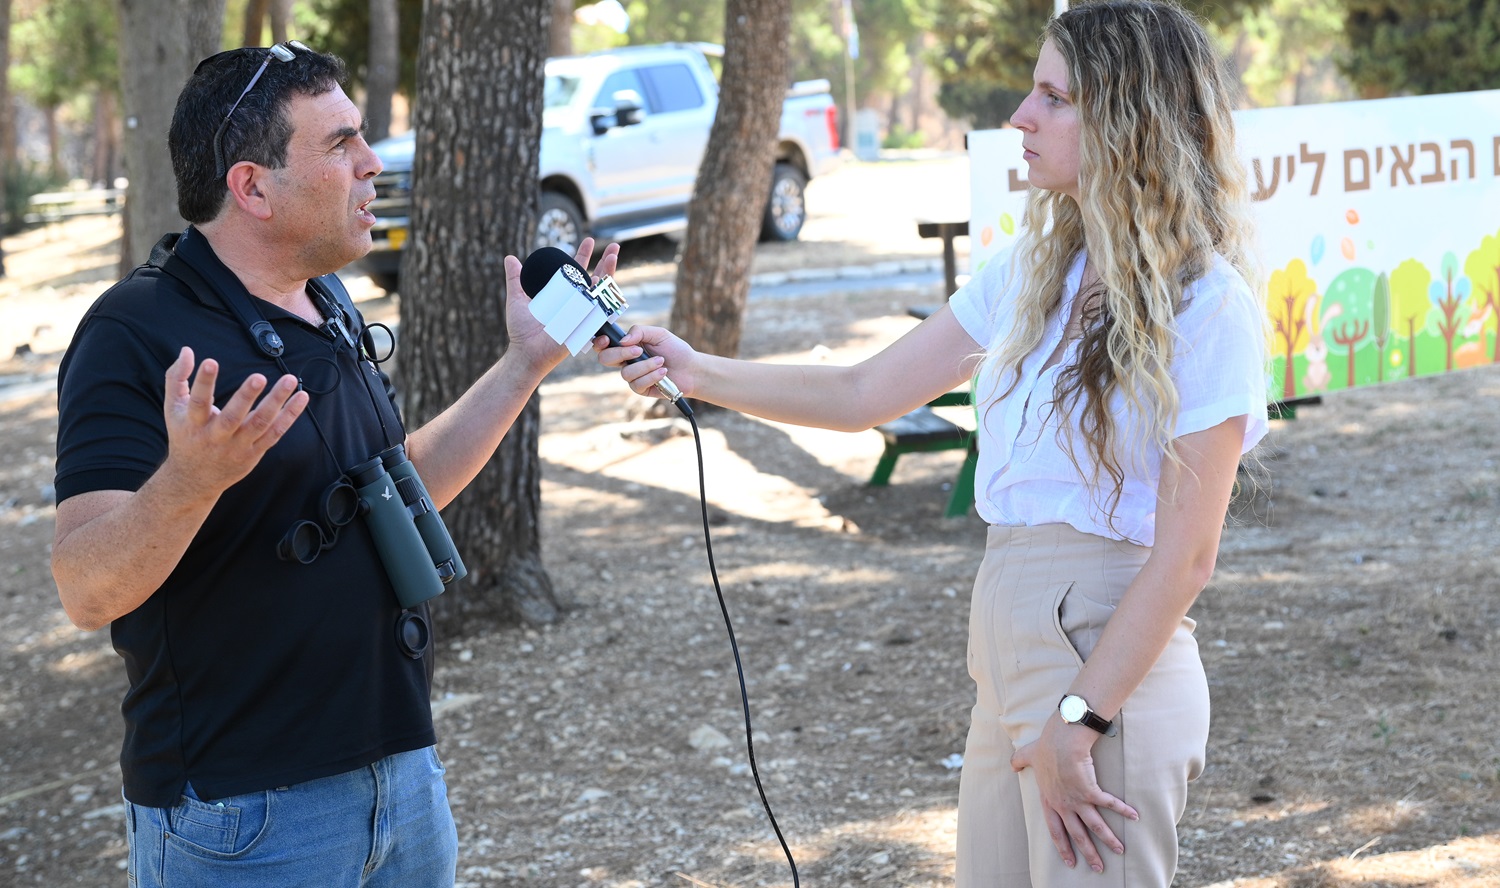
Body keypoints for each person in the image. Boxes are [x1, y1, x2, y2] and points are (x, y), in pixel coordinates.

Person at [597, 2, 1267, 885]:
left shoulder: (1207, 306)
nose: (1021, 117)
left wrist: (1083, 718)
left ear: (1126, 120)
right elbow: (861, 393)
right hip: (1007, 644)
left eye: (1053, 96)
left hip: (1103, 664)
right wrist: (696, 371)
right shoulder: (1036, 274)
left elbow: (1187, 557)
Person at [50, 42, 609, 886]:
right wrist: (191, 481)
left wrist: (523, 363)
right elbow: (85, 588)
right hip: (242, 818)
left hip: (402, 778)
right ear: (252, 187)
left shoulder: (328, 303)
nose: (372, 163)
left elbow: (397, 493)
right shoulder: (134, 333)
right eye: (341, 143)